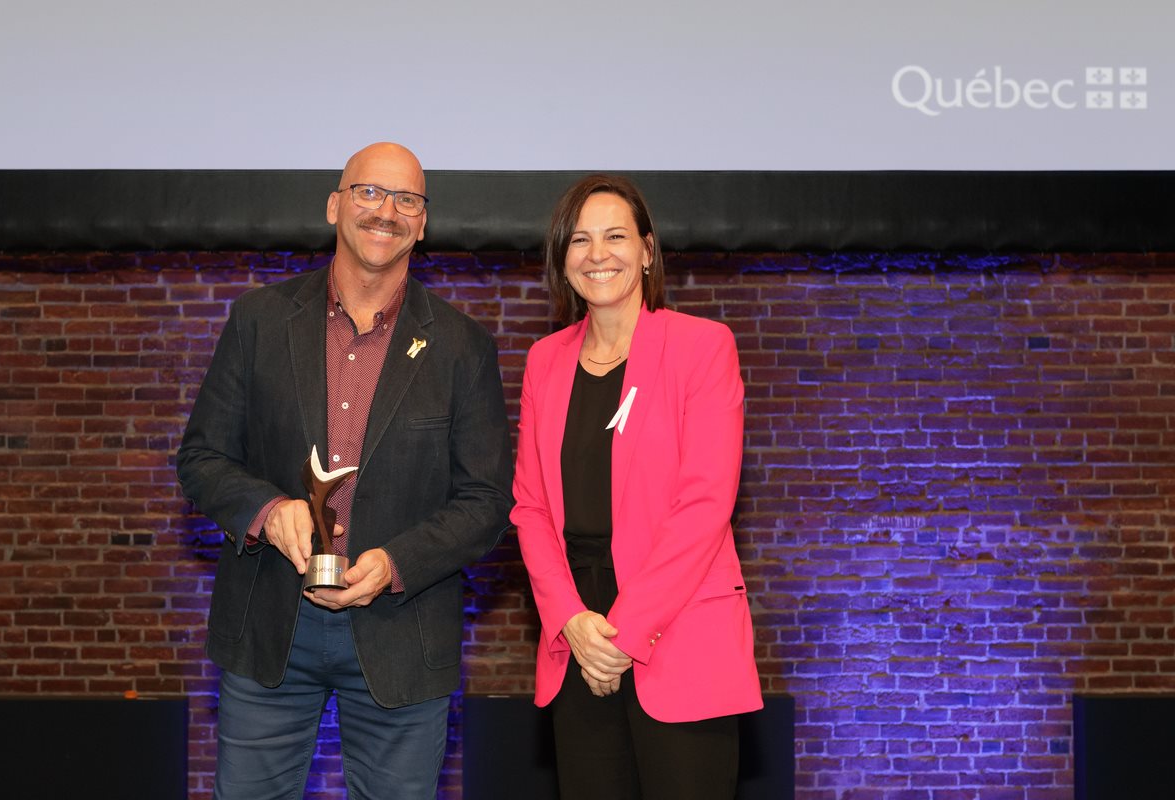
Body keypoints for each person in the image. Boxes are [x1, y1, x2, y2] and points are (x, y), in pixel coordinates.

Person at [176, 142, 513, 800]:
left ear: (423, 223)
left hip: (404, 632)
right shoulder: (258, 321)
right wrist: (270, 513)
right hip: (270, 623)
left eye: (406, 200)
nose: (385, 210)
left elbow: (485, 501)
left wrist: (394, 564)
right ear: (334, 205)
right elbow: (202, 459)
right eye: (368, 192)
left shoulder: (462, 347)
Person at [511, 174, 763, 798]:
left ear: (648, 250)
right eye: (579, 240)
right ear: (562, 259)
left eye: (616, 236)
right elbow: (530, 507)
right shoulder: (545, 360)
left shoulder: (702, 347)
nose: (598, 254)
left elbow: (704, 505)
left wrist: (621, 636)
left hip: (676, 635)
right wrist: (571, 620)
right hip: (578, 638)